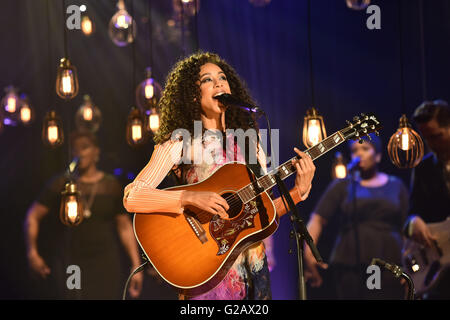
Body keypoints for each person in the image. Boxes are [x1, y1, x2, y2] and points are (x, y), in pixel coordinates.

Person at [123, 52, 316, 300]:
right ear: (193, 94)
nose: (219, 83)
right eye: (207, 79)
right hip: (206, 274)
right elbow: (132, 196)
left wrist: (296, 194)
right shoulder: (180, 140)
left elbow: (262, 216)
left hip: (254, 274)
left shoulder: (251, 144)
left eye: (222, 77)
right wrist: (189, 197)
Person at [24, 131, 143, 299]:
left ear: (96, 152)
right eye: (75, 149)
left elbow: (124, 226)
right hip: (71, 260)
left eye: (84, 147)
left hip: (105, 262)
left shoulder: (111, 185)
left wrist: (136, 265)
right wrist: (32, 253)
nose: (79, 153)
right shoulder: (62, 184)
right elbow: (33, 216)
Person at [304, 134, 409, 299]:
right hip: (350, 263)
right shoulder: (343, 185)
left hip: (389, 260)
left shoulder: (396, 185)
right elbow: (317, 218)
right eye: (354, 150)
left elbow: (406, 228)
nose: (359, 154)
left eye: (365, 148)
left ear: (378, 155)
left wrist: (410, 264)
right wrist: (309, 254)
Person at [405, 99, 450, 299]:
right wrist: (414, 221)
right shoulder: (423, 168)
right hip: (438, 275)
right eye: (426, 138)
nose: (431, 144)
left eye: (436, 136)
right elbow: (411, 214)